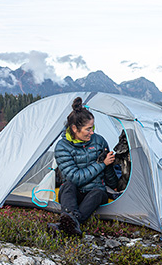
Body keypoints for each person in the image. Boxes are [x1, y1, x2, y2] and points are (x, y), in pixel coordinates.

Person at [50, 96, 118, 237]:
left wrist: (115, 185)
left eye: (92, 127)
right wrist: (102, 164)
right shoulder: (62, 147)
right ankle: (73, 224)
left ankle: (67, 224)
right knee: (67, 186)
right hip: (75, 191)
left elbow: (108, 169)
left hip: (95, 192)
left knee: (98, 193)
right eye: (88, 129)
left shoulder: (99, 141)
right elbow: (75, 178)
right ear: (74, 128)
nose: (92, 132)